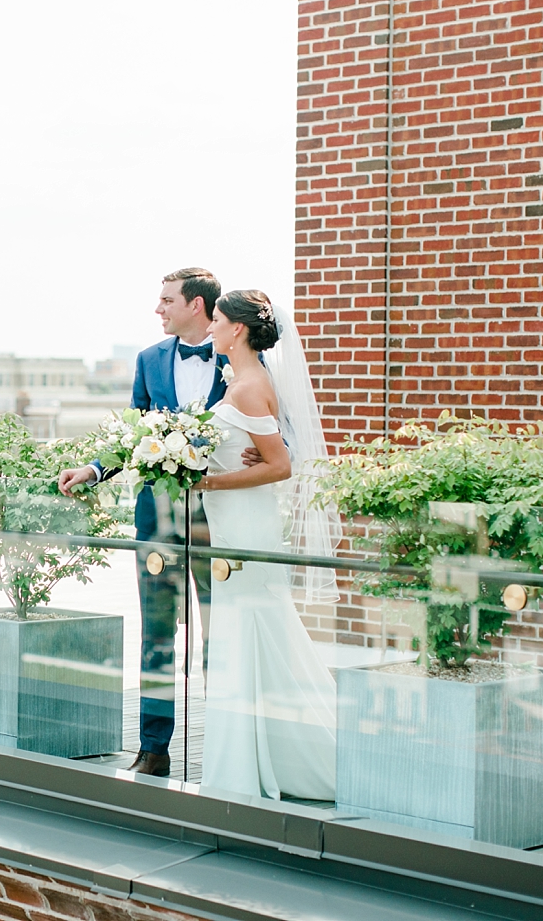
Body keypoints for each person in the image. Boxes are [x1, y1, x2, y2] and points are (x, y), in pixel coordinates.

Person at [57, 267, 237, 778]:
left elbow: (268, 428)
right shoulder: (149, 360)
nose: (158, 309)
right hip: (155, 518)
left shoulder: (241, 356)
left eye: (166, 300)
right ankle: (153, 749)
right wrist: (93, 470)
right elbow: (133, 433)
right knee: (156, 635)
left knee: (219, 633)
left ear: (196, 306)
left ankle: (226, 746)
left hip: (217, 518)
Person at [192, 289, 342, 801]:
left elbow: (280, 465)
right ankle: (257, 758)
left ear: (237, 329)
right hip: (237, 521)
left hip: (245, 529)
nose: (210, 328)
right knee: (251, 633)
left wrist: (207, 483)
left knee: (251, 627)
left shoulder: (249, 386)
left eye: (215, 320)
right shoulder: (246, 381)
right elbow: (269, 451)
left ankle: (255, 768)